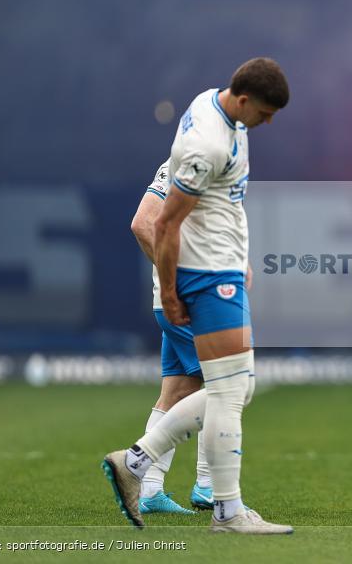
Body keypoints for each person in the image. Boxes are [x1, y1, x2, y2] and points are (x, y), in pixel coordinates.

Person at [102, 57, 293, 534]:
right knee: (231, 390)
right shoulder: (205, 144)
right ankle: (223, 508)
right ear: (245, 100)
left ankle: (138, 465)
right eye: (265, 114)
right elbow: (162, 223)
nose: (266, 123)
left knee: (229, 388)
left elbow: (215, 205)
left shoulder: (218, 106)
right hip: (207, 277)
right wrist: (169, 292)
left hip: (220, 267)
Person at [129, 161, 213, 515]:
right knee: (227, 383)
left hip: (198, 298)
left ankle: (149, 490)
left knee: (176, 392)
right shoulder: (188, 159)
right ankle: (212, 487)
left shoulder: (213, 158)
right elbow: (142, 223)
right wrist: (175, 282)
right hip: (188, 300)